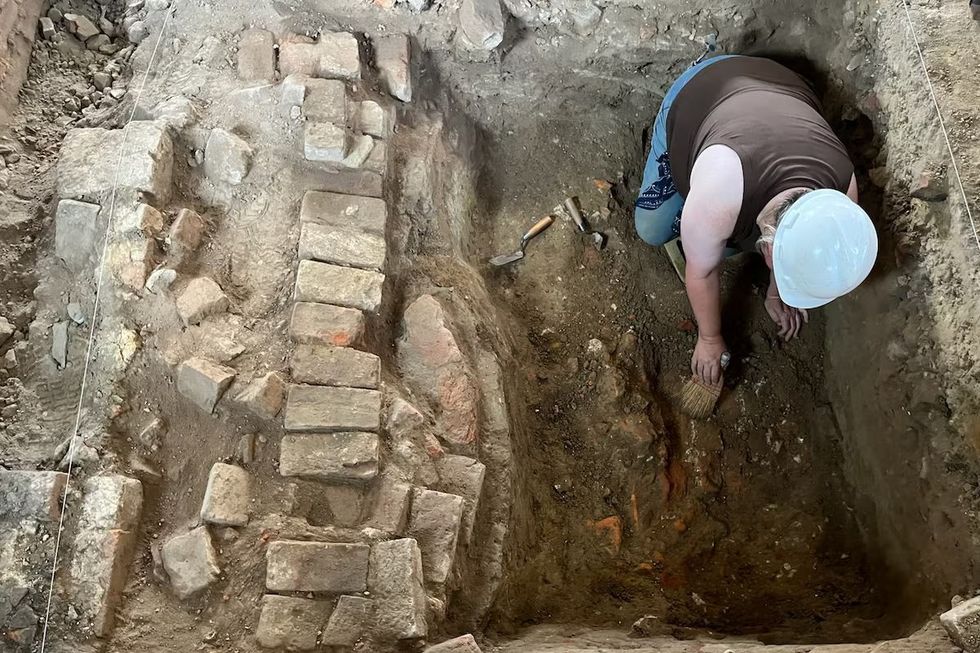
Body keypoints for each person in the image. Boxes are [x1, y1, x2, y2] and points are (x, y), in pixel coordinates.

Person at [634, 55, 878, 387]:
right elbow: (701, 270)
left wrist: (780, 292)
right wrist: (709, 339)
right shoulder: (720, 194)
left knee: (725, 240)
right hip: (702, 91)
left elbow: (804, 238)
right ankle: (689, 88)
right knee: (653, 229)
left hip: (782, 85)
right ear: (769, 249)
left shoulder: (842, 194)